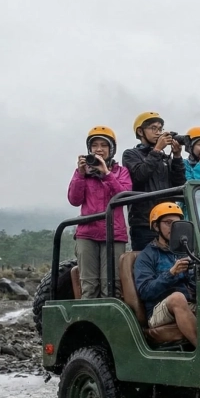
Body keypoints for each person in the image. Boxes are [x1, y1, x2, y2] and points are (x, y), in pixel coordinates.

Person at [67, 126, 132, 299]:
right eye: (95, 145)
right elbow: (74, 200)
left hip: (114, 234)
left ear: (111, 149)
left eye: (104, 145)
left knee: (112, 286)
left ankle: (110, 325)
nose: (99, 149)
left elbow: (124, 196)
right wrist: (80, 175)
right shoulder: (82, 174)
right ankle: (89, 325)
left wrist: (106, 174)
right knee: (88, 286)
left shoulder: (121, 172)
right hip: (87, 234)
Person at [133, 203, 198, 347]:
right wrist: (171, 273)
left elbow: (195, 285)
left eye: (176, 224)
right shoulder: (146, 256)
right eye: (168, 223)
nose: (173, 228)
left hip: (189, 303)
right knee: (177, 298)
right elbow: (145, 291)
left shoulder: (186, 251)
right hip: (157, 310)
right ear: (156, 226)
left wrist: (195, 273)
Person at [122, 111, 186, 251]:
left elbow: (180, 184)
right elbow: (139, 176)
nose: (158, 133)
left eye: (160, 129)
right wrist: (157, 150)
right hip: (144, 222)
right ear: (140, 131)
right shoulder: (130, 154)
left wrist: (176, 157)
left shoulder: (164, 158)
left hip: (168, 220)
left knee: (172, 262)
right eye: (153, 128)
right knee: (144, 263)